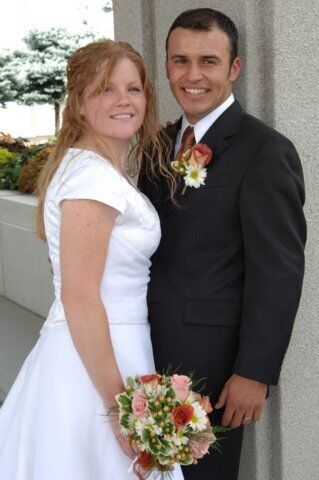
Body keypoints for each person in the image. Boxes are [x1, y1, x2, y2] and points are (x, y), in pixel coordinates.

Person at [0, 39, 184, 480]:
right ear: (80, 103)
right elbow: (81, 298)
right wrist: (120, 407)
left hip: (115, 347)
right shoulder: (91, 178)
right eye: (106, 89)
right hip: (97, 363)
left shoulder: (92, 167)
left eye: (133, 88)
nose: (124, 100)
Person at [139, 8, 306, 480]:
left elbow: (279, 271)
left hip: (212, 364)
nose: (193, 75)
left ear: (234, 68)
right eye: (180, 61)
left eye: (208, 61)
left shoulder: (266, 152)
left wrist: (255, 372)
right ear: (167, 66)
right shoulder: (157, 144)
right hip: (139, 351)